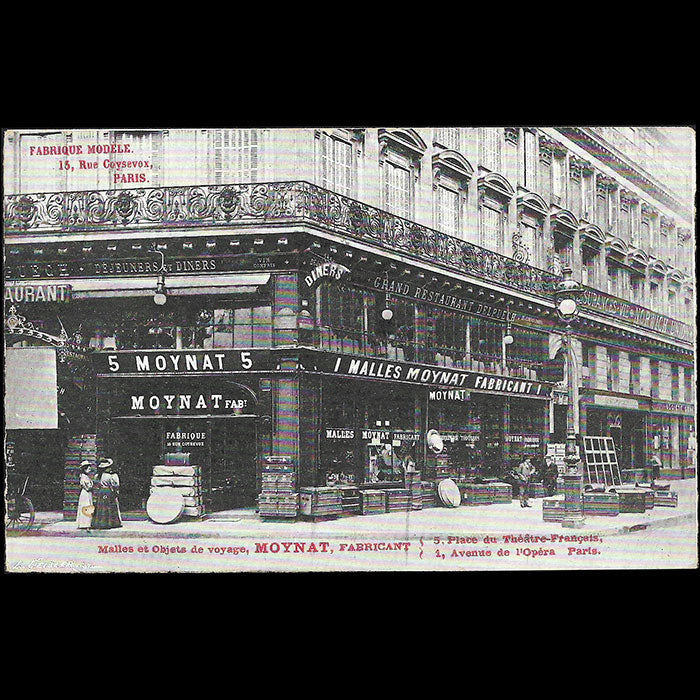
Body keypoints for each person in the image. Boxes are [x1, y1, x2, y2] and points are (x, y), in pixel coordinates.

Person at [91, 458, 122, 529]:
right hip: (107, 491)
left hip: (101, 491)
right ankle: (110, 523)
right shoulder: (110, 476)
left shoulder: (99, 475)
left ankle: (100, 522)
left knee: (101, 507)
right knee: (108, 507)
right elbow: (115, 485)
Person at [76, 460, 96, 530]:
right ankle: (85, 523)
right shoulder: (84, 477)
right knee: (86, 506)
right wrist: (92, 485)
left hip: (87, 493)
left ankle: (86, 523)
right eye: (88, 468)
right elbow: (88, 487)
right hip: (86, 493)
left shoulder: (85, 476)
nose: (89, 469)